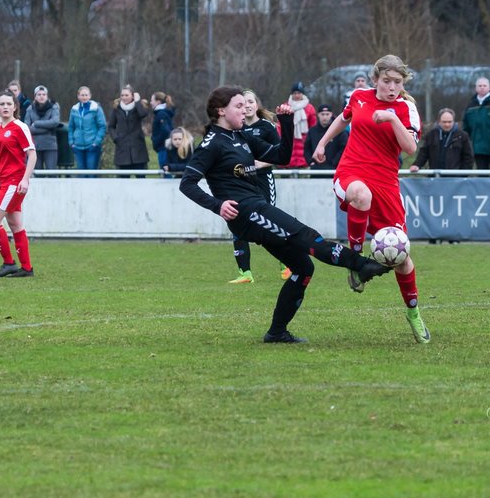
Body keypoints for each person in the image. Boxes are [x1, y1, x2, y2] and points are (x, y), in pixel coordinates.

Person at [180, 86, 391, 344]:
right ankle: (361, 265)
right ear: (220, 111)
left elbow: (282, 156)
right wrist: (218, 206)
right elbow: (187, 183)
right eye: (237, 106)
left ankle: (277, 332)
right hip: (247, 213)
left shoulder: (240, 137)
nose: (244, 109)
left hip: (256, 207)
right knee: (306, 236)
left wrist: (287, 123)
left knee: (303, 267)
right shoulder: (212, 143)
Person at [310, 55, 430, 343]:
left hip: (387, 183)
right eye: (386, 81)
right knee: (360, 195)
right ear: (375, 79)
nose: (391, 87)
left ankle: (413, 312)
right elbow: (343, 118)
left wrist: (391, 118)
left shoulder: (405, 108)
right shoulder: (360, 96)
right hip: (351, 171)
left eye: (397, 82)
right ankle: (354, 260)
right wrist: (323, 142)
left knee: (402, 259)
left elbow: (411, 148)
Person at [0, 93, 38, 277]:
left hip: (15, 182)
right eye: (1, 103)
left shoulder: (20, 127)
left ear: (14, 107)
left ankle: (8, 263)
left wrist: (25, 179)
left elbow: (32, 155)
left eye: (8, 104)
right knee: (15, 224)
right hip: (4, 181)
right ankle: (26, 268)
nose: (5, 106)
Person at [227, 90, 281, 284]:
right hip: (242, 184)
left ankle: (288, 264)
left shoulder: (266, 127)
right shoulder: (236, 129)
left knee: (270, 224)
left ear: (256, 105)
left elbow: (281, 154)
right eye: (242, 103)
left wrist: (260, 163)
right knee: (237, 223)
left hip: (263, 182)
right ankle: (245, 273)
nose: (247, 105)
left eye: (250, 102)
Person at [409, 107, 473, 173]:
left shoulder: (462, 136)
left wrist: (462, 175)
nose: (447, 124)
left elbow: (468, 158)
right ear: (439, 121)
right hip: (435, 177)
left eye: (449, 122)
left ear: (454, 121)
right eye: (444, 122)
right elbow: (424, 153)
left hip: (455, 178)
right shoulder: (431, 135)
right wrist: (417, 165)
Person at [108, 85, 149, 171]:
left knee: (140, 178)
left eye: (126, 95)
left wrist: (137, 102)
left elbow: (143, 114)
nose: (124, 97)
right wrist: (116, 138)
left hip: (138, 148)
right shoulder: (116, 109)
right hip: (122, 148)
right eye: (122, 95)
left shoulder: (139, 107)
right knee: (123, 179)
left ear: (132, 96)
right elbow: (111, 126)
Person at [23, 85, 61, 171]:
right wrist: (47, 128)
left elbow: (55, 122)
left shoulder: (54, 107)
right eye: (39, 94)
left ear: (47, 96)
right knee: (37, 172)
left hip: (50, 145)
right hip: (35, 145)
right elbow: (27, 128)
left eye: (44, 94)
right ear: (35, 96)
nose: (41, 96)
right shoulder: (30, 109)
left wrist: (36, 123)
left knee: (51, 172)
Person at [68, 86, 107, 170]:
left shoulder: (96, 109)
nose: (84, 97)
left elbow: (102, 126)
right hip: (78, 146)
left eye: (86, 95)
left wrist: (96, 142)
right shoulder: (74, 109)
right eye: (82, 95)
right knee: (81, 174)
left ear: (90, 96)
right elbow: (71, 127)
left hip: (92, 146)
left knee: (91, 174)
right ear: (78, 96)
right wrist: (71, 142)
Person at [284, 81, 317, 168]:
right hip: (290, 142)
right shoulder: (285, 107)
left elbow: (313, 128)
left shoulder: (310, 108)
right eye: (295, 93)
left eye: (299, 93)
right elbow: (281, 127)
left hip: (304, 143)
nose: (297, 95)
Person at [305, 105, 348, 170]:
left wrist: (335, 163)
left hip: (334, 170)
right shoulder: (312, 131)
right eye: (322, 114)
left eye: (327, 114)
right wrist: (311, 161)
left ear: (331, 114)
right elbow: (307, 149)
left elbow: (344, 148)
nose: (325, 117)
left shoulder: (340, 131)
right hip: (316, 170)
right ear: (318, 115)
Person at [149, 91, 175, 170]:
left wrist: (156, 140)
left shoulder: (161, 114)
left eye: (152, 100)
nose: (150, 103)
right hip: (163, 148)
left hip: (163, 148)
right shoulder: (161, 113)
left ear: (158, 102)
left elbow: (166, 131)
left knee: (165, 173)